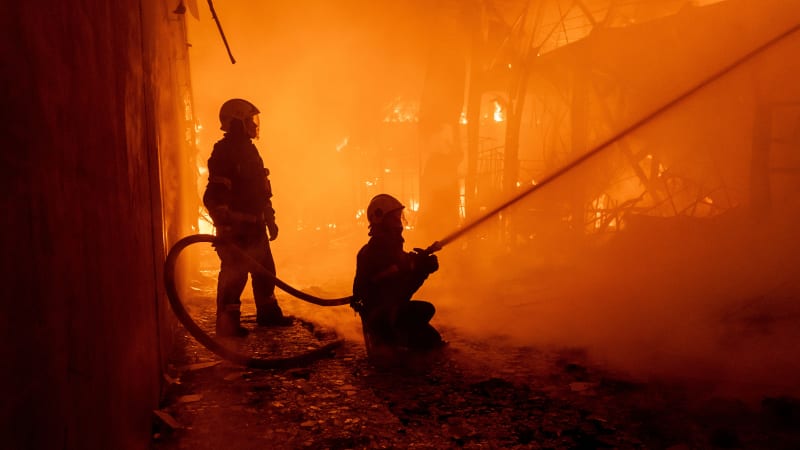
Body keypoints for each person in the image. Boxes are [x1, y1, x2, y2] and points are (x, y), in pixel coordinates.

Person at [203, 98, 293, 337]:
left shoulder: (250, 151)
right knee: (234, 275)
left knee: (266, 271)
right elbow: (216, 192)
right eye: (249, 120)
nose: (254, 125)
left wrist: (269, 218)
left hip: (255, 226)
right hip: (237, 229)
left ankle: (269, 314)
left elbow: (262, 190)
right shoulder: (223, 152)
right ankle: (227, 324)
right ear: (237, 123)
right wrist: (226, 222)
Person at [351, 194, 446, 361]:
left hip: (385, 314)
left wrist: (420, 267)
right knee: (424, 313)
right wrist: (420, 270)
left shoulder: (388, 249)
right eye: (394, 218)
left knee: (432, 339)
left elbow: (401, 287)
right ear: (381, 220)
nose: (399, 224)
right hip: (381, 318)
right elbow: (397, 292)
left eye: (399, 218)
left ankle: (396, 340)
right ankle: (389, 342)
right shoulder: (376, 252)